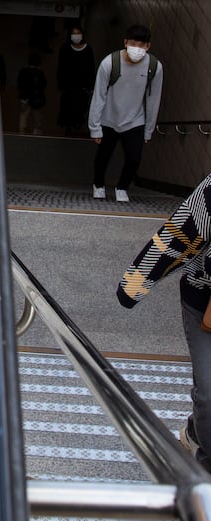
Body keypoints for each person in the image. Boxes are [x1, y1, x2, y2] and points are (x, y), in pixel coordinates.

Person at [116, 174, 211, 466]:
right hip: (204, 298)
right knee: (210, 392)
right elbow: (181, 233)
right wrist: (133, 286)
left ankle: (198, 430)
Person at [88, 24, 163, 202]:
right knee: (103, 156)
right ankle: (98, 185)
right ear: (125, 42)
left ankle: (122, 187)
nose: (137, 48)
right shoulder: (110, 62)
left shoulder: (154, 67)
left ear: (148, 46)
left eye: (142, 45)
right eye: (133, 43)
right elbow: (99, 95)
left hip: (135, 120)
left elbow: (153, 99)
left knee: (134, 159)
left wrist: (149, 129)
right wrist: (95, 127)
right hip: (109, 118)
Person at [56, 24, 95, 136]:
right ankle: (68, 127)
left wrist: (90, 85)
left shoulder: (88, 49)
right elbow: (61, 67)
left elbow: (91, 68)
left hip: (82, 87)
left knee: (80, 107)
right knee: (67, 107)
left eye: (78, 33)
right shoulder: (65, 48)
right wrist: (61, 84)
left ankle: (77, 124)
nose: (76, 36)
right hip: (68, 86)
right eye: (74, 33)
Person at [16, 52, 47, 135]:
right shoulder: (39, 73)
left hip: (25, 97)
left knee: (23, 116)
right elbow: (43, 85)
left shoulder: (23, 72)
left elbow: (20, 84)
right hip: (36, 98)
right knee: (37, 117)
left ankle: (22, 131)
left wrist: (22, 97)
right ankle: (36, 131)